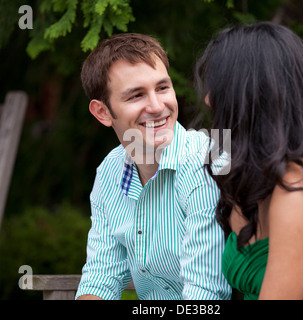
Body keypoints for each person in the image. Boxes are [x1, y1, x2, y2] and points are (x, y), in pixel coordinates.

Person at [194, 22, 303, 300]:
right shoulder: (252, 180)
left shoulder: (300, 188)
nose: (207, 100)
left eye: (218, 89)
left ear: (248, 98)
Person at [75, 33, 231, 300]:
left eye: (162, 88)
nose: (158, 107)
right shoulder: (110, 172)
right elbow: (101, 278)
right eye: (136, 95)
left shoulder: (207, 160)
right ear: (102, 112)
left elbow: (206, 294)